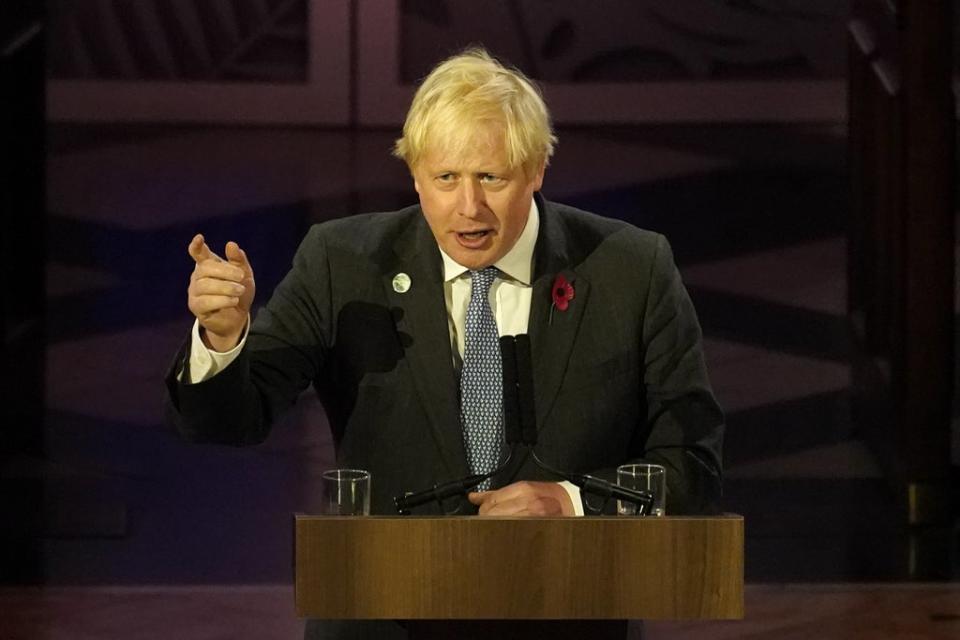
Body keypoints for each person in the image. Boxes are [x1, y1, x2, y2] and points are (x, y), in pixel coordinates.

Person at [165, 47, 723, 639]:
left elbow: (692, 462)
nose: (469, 207)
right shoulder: (343, 262)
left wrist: (570, 503)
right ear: (414, 175)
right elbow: (229, 422)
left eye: (492, 177)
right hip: (385, 615)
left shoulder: (631, 269)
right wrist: (222, 338)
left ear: (536, 170)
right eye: (446, 178)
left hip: (566, 608)